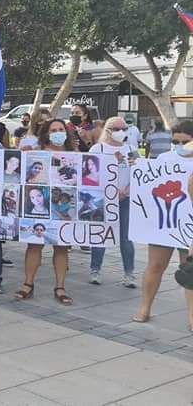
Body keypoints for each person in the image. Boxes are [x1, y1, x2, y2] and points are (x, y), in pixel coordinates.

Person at [133, 121, 193, 327]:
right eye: (175, 141)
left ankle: (192, 316)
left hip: (190, 228)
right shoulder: (164, 158)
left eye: (185, 142)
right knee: (155, 265)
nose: (180, 145)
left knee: (189, 270)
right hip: (163, 225)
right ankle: (145, 307)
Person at [15, 119, 75, 305]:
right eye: (54, 130)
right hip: (39, 203)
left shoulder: (74, 155)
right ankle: (28, 283)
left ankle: (60, 286)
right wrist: (22, 155)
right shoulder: (37, 153)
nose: (58, 132)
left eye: (61, 129)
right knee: (34, 244)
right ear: (46, 134)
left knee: (62, 246)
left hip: (61, 205)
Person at [88, 116, 136, 288]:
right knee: (101, 234)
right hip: (104, 199)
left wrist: (128, 190)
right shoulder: (97, 148)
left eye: (123, 128)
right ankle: (95, 269)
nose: (120, 132)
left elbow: (138, 172)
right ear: (108, 130)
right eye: (116, 128)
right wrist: (111, 191)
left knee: (126, 237)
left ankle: (129, 273)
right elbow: (90, 174)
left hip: (126, 199)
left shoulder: (131, 148)